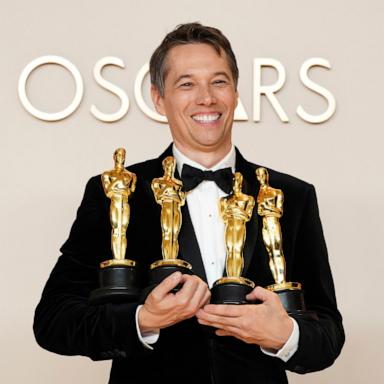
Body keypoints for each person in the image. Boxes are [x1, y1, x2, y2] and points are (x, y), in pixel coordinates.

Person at [34, 23, 344, 383]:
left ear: (236, 93)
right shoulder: (115, 191)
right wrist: (142, 320)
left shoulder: (292, 195)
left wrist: (286, 336)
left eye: (219, 81)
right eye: (186, 84)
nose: (206, 98)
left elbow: (329, 333)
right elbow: (53, 320)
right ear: (158, 97)